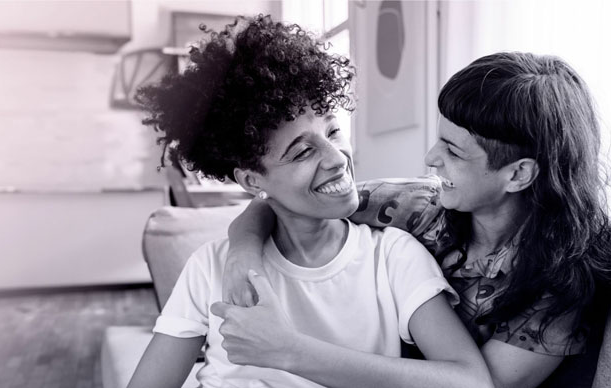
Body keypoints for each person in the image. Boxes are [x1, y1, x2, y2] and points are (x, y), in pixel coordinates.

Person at [127, 14, 494, 388]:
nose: (337, 158)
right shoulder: (212, 266)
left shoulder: (393, 257)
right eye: (302, 152)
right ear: (253, 180)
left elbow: (471, 382)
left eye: (333, 131)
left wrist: (289, 351)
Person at [222, 51, 611, 388]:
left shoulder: (565, 276)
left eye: (454, 152)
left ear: (518, 174)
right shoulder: (418, 204)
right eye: (438, 137)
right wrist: (243, 254)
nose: (430, 158)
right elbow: (285, 200)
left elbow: (481, 386)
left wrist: (289, 351)